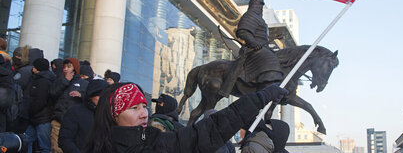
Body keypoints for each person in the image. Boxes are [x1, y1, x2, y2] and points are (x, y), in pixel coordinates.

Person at [85, 82, 288, 152]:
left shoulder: (157, 140)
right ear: (114, 115)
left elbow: (209, 131)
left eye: (144, 106)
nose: (143, 113)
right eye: (134, 108)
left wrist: (260, 98)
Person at [219, 0, 283, 97]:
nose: (260, 8)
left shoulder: (260, 20)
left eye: (261, 6)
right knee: (270, 59)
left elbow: (262, 37)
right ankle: (264, 86)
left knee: (279, 57)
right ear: (254, 5)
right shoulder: (250, 16)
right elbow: (243, 32)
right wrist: (253, 42)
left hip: (262, 48)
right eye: (259, 5)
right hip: (252, 49)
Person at [59, 79, 109, 153]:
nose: (103, 100)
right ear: (91, 95)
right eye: (99, 96)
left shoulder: (108, 114)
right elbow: (65, 139)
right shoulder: (75, 112)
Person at [49, 58, 88, 153]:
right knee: (56, 148)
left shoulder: (84, 84)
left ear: (75, 68)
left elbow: (89, 100)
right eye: (64, 67)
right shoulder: (59, 80)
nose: (66, 69)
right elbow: (52, 93)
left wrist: (81, 96)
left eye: (69, 66)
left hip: (74, 123)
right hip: (58, 120)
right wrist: (65, 81)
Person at [25, 58, 55, 153]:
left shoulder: (43, 81)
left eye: (34, 66)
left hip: (41, 118)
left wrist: (31, 110)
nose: (32, 68)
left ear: (38, 68)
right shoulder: (41, 79)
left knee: (43, 146)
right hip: (39, 117)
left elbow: (40, 100)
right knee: (28, 141)